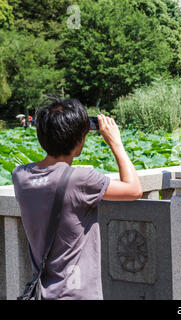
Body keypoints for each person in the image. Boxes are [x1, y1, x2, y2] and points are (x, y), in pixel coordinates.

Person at [12, 98, 143, 300]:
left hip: (42, 292)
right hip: (77, 293)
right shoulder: (80, 179)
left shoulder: (20, 176)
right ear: (78, 140)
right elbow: (134, 189)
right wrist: (115, 142)